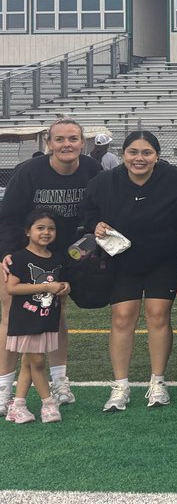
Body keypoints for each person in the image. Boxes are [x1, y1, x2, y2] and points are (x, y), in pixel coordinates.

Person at [82, 130, 177, 413]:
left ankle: (158, 382)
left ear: (157, 156)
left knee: (157, 316)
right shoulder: (103, 182)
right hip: (122, 261)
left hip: (162, 261)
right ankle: (120, 386)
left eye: (146, 153)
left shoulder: (176, 179)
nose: (139, 158)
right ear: (124, 154)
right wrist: (95, 224)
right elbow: (88, 211)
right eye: (133, 152)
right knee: (122, 318)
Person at [0, 118, 100, 414]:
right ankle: (4, 387)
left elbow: (99, 209)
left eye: (73, 139)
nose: (66, 144)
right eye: (60, 139)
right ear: (49, 144)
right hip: (24, 251)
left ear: (83, 143)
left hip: (65, 256)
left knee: (56, 314)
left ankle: (59, 382)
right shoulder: (29, 172)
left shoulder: (93, 170)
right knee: (11, 315)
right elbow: (9, 216)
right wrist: (7, 254)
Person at [3, 210, 68, 424]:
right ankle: (48, 403)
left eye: (51, 228)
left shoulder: (57, 258)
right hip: (26, 320)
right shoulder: (19, 257)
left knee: (29, 363)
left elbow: (62, 282)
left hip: (46, 319)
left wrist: (64, 287)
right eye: (40, 228)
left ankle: (18, 405)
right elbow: (12, 288)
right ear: (27, 231)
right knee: (37, 362)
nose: (46, 232)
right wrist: (45, 286)